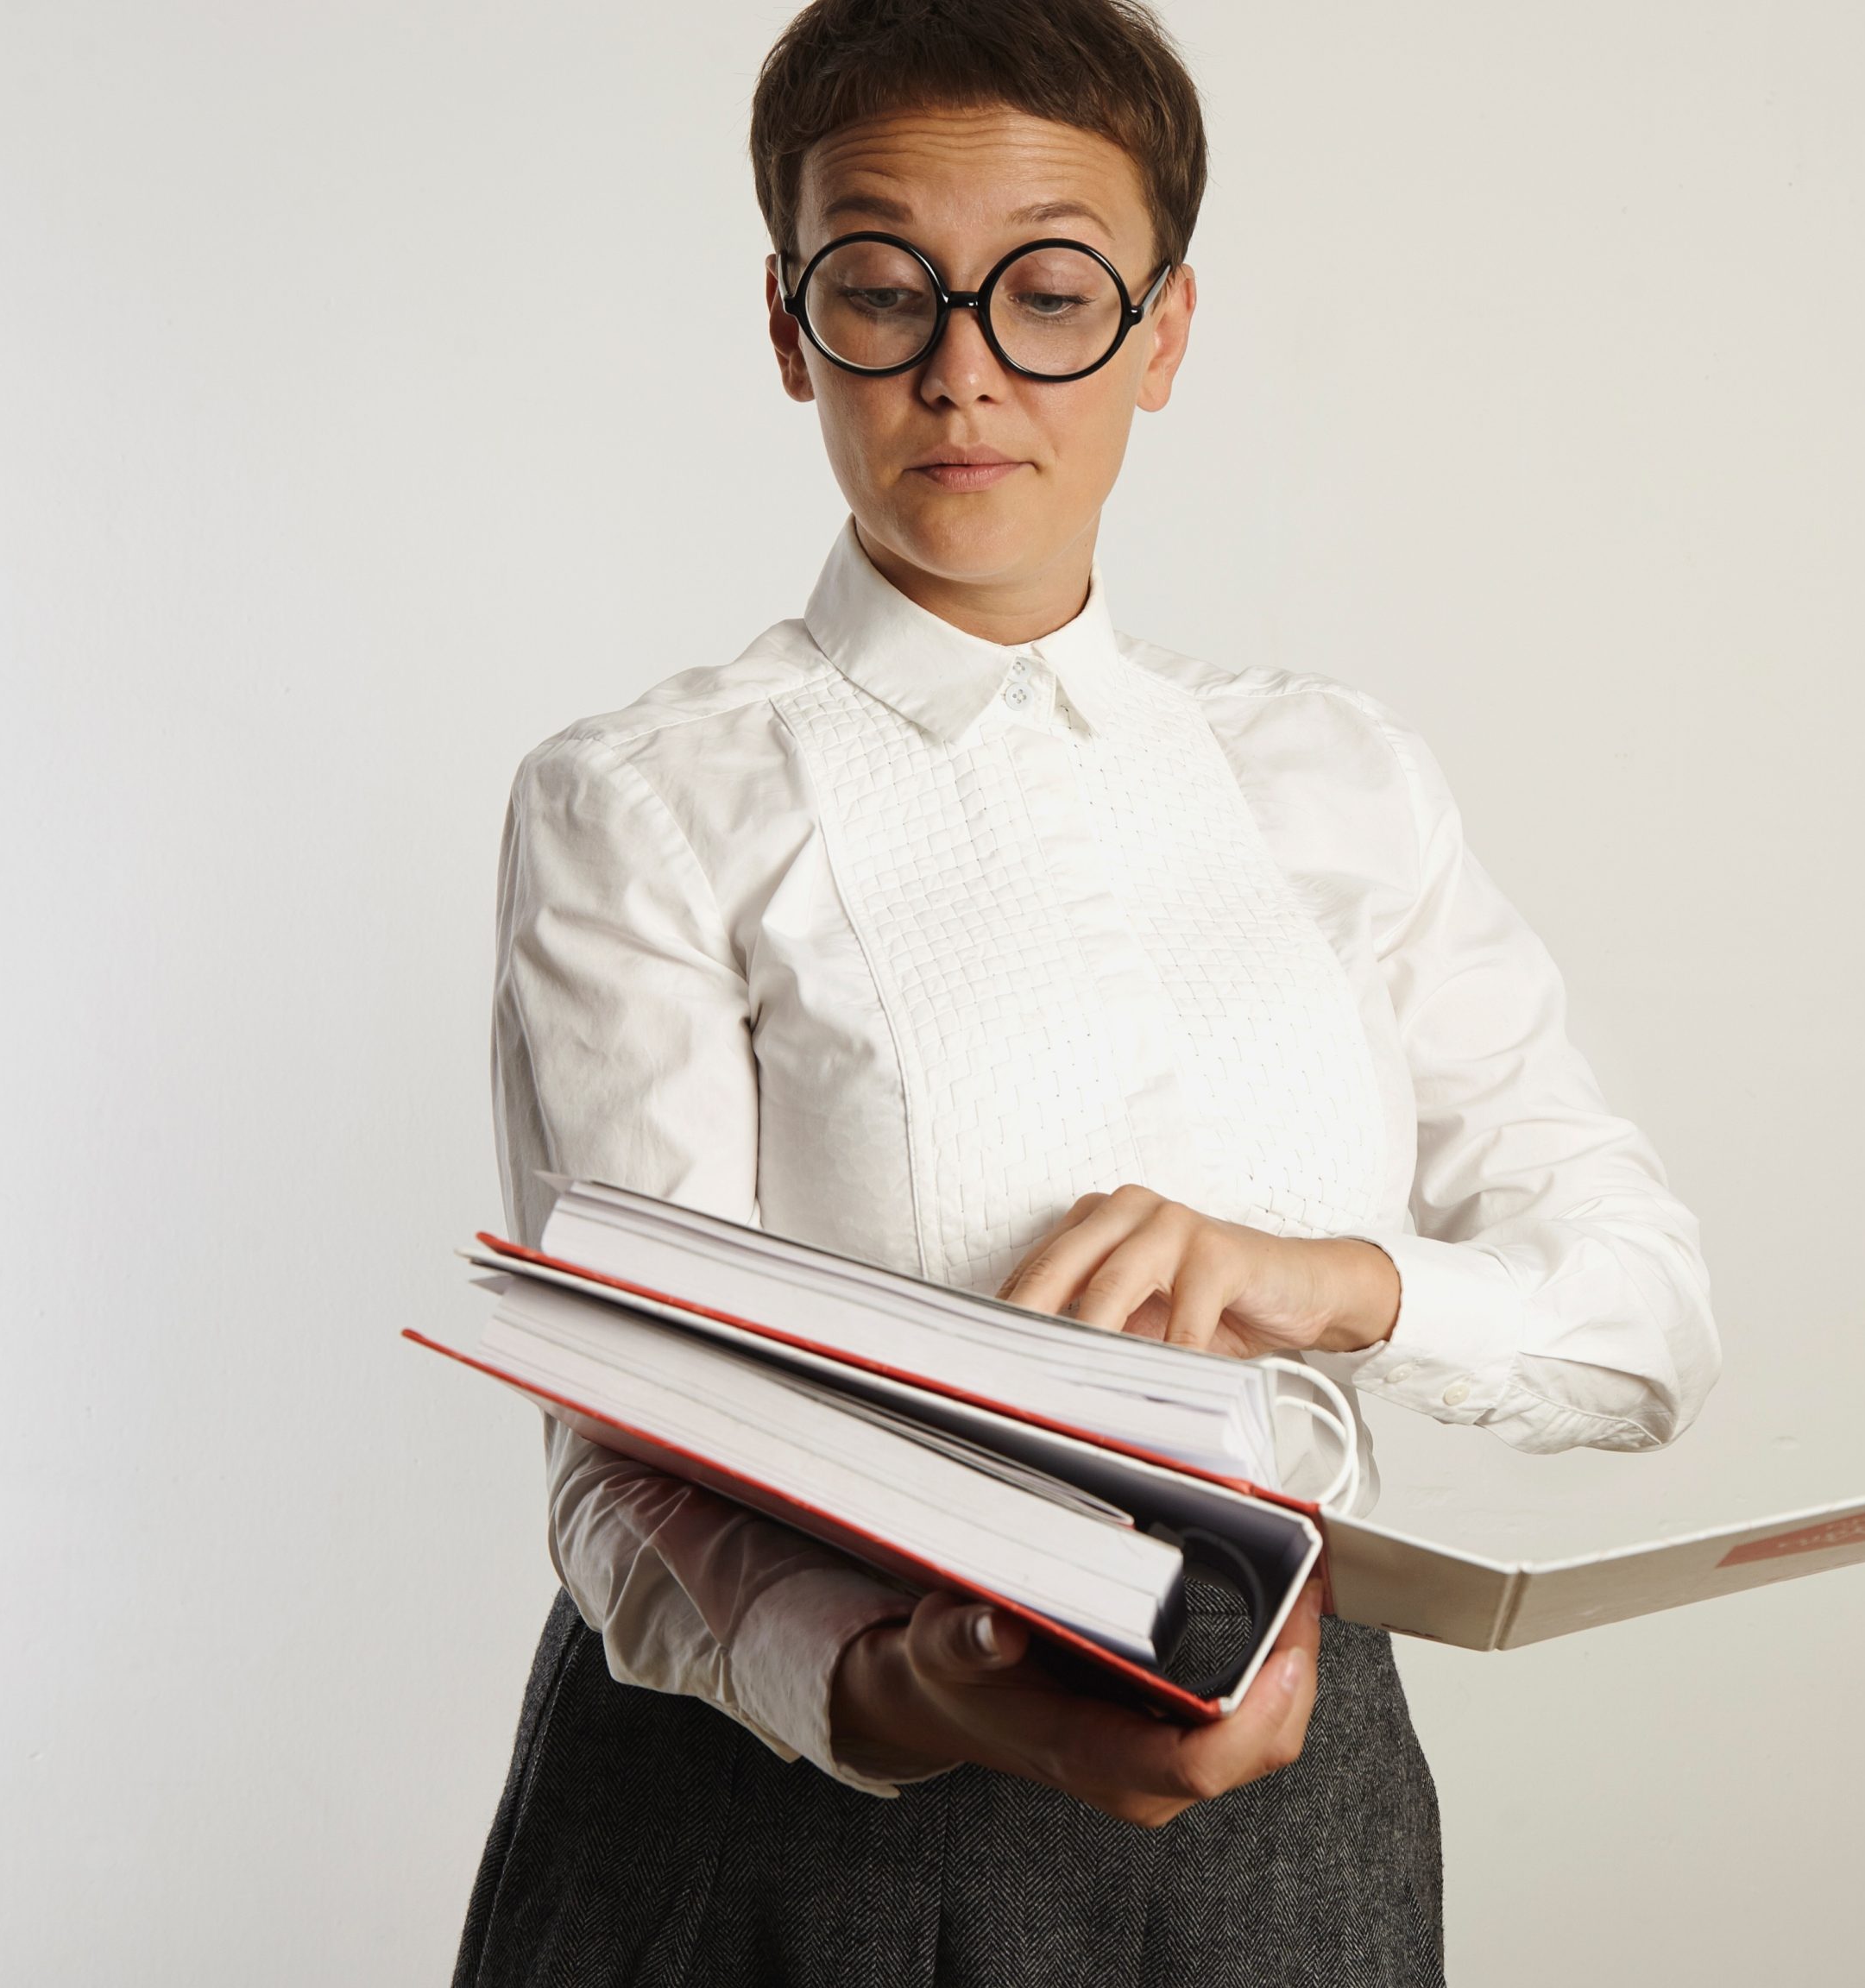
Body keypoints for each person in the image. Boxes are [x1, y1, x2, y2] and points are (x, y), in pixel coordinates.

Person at [453, 2, 1717, 1980]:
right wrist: (900, 1686)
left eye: (1048, 291)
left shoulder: (1336, 777)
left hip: (1294, 1816)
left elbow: (1641, 1320)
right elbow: (630, 1468)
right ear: (790, 324)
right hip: (783, 1831)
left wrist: (1329, 1281)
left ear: (1162, 328)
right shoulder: (644, 800)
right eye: (881, 287)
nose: (961, 371)